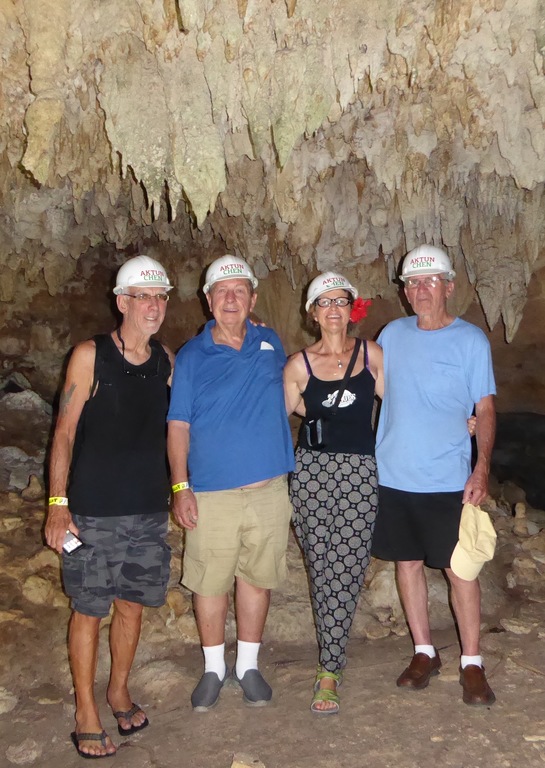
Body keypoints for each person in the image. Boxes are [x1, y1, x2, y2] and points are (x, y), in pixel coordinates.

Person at [45, 255, 175, 757]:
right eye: (144, 296)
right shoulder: (89, 355)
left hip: (146, 510)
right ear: (122, 302)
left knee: (131, 605)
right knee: (89, 610)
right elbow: (64, 432)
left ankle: (118, 689)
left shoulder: (165, 361)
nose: (154, 305)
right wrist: (59, 504)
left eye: (160, 296)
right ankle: (85, 708)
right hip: (93, 511)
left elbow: (185, 420)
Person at [167, 255, 294, 712]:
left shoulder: (270, 342)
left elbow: (296, 389)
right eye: (222, 291)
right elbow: (178, 425)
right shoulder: (192, 356)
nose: (231, 299)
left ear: (253, 299)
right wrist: (181, 487)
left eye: (239, 290)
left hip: (268, 489)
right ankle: (213, 668)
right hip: (213, 492)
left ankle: (249, 666)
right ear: (208, 301)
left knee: (258, 578)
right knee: (210, 582)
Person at [372, 244, 497, 706]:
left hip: (448, 478)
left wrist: (481, 467)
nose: (420, 291)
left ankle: (472, 660)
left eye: (429, 282)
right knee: (406, 563)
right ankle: (424, 651)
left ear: (448, 286)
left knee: (459, 570)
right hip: (395, 474)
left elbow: (484, 408)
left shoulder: (470, 341)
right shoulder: (391, 334)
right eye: (412, 283)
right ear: (404, 292)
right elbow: (350, 365)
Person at [283, 272, 383, 715]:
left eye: (341, 301)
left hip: (360, 472)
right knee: (320, 564)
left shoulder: (372, 356)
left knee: (347, 563)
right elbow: (269, 419)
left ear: (352, 309)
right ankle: (332, 650)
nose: (334, 310)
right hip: (310, 472)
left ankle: (329, 668)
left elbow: (406, 404)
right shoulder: (297, 366)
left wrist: (461, 421)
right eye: (325, 303)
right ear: (313, 313)